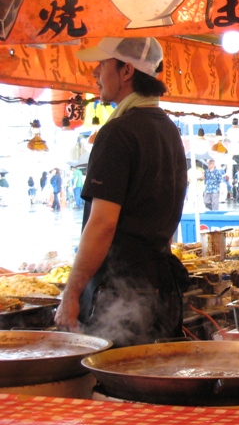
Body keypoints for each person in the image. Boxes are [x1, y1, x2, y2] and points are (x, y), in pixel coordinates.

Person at [55, 37, 189, 347]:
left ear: (126, 71)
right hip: (160, 292)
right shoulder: (168, 130)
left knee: (116, 386)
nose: (96, 75)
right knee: (155, 387)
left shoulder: (117, 133)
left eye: (102, 65)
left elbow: (103, 223)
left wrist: (71, 294)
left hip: (121, 295)